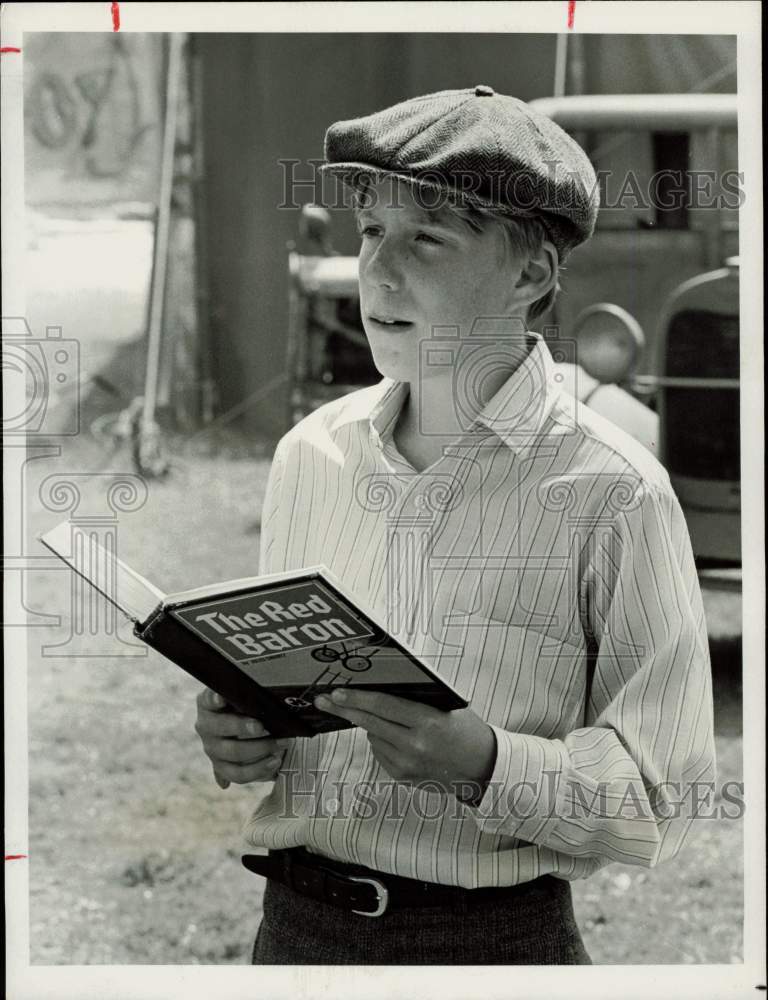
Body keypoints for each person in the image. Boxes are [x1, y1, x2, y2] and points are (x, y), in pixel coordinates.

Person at [194, 86, 716, 965]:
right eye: (370, 232)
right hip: (294, 934)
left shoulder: (613, 490)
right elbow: (294, 718)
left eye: (427, 239)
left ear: (532, 275)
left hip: (495, 948)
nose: (379, 271)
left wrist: (485, 763)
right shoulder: (309, 455)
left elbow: (661, 799)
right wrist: (244, 733)